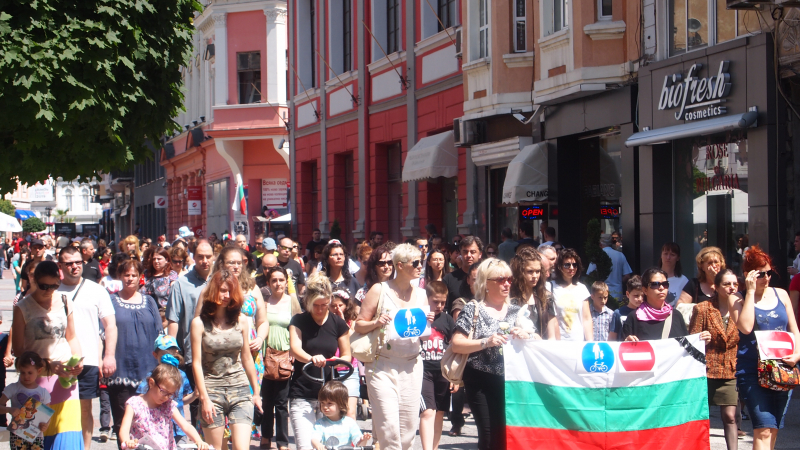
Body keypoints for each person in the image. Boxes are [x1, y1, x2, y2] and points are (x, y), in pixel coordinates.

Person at [354, 243, 430, 450]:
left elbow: (421, 330)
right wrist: (376, 323)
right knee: (388, 426)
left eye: (421, 262)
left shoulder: (422, 294)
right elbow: (359, 324)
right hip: (382, 365)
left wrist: (428, 319)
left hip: (412, 365)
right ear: (400, 265)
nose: (420, 266)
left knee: (407, 430)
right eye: (415, 263)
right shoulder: (380, 290)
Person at [451, 258, 527, 450]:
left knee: (504, 434)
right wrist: (486, 342)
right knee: (488, 434)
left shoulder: (517, 311)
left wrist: (526, 335)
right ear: (486, 283)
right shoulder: (473, 308)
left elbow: (536, 340)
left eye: (509, 279)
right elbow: (457, 344)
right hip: (480, 379)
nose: (507, 283)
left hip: (509, 381)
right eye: (500, 279)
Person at [732, 246, 800, 450]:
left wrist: (797, 355)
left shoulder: (781, 294)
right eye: (760, 274)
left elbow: (794, 330)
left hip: (782, 370)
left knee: (773, 429)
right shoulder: (738, 298)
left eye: (768, 273)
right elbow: (745, 327)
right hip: (752, 371)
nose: (766, 278)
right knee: (762, 428)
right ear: (748, 275)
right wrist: (751, 292)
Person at [12, 261, 84, 450]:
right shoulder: (22, 307)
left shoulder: (65, 301)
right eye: (44, 286)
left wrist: (78, 360)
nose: (49, 291)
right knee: (33, 438)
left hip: (65, 380)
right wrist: (49, 365)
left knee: (66, 437)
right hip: (35, 382)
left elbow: (72, 336)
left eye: (54, 286)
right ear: (33, 280)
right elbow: (19, 351)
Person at [190, 269, 263, 450]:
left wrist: (256, 393)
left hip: (239, 388)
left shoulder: (242, 320)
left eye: (230, 291)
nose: (226, 295)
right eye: (222, 290)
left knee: (241, 447)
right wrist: (204, 398)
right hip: (212, 390)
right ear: (214, 290)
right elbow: (196, 363)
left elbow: (247, 358)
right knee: (216, 448)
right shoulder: (199, 323)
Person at [56, 247, 118, 450]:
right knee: (57, 407)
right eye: (69, 263)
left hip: (88, 359)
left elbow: (110, 325)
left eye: (78, 262)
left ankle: (85, 447)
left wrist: (108, 355)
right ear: (61, 266)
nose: (75, 266)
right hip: (58, 360)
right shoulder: (52, 291)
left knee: (85, 409)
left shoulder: (96, 290)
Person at [289, 272, 351, 450]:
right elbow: (295, 348)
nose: (320, 309)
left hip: (329, 394)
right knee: (306, 446)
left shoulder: (337, 323)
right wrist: (311, 358)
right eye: (315, 305)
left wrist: (335, 361)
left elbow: (347, 355)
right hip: (302, 393)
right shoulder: (299, 320)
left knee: (329, 446)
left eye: (324, 305)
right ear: (308, 301)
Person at [104, 258, 162, 449]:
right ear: (120, 277)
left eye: (134, 275)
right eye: (126, 275)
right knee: (123, 426)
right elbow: (101, 333)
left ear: (140, 277)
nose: (130, 278)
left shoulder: (150, 301)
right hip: (120, 371)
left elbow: (160, 334)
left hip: (148, 372)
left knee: (148, 427)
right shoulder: (111, 300)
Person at [689, 268, 740, 450]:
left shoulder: (742, 308)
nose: (732, 288)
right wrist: (701, 338)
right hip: (706, 369)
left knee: (730, 416)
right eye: (727, 284)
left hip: (731, 369)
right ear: (716, 287)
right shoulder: (703, 308)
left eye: (735, 284)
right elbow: (691, 341)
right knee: (702, 416)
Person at [118, 363, 208, 450]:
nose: (166, 397)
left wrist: (198, 441)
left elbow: (185, 426)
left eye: (170, 394)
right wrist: (127, 441)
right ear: (151, 383)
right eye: (164, 391)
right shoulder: (134, 403)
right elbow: (124, 428)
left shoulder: (168, 405)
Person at [261, 266, 302, 450]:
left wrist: (295, 351)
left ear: (287, 282)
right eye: (274, 280)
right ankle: (265, 437)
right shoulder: (264, 302)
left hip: (286, 354)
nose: (278, 283)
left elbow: (299, 328)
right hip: (266, 354)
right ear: (269, 283)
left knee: (281, 402)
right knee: (266, 400)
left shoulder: (292, 301)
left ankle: (283, 442)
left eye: (281, 280)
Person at [134, 336, 197, 446]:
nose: (168, 356)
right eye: (164, 353)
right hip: (157, 427)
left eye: (171, 352)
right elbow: (142, 398)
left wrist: (194, 395)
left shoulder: (181, 376)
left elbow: (182, 400)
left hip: (179, 428)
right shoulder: (152, 376)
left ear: (176, 352)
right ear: (155, 355)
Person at [419, 281, 458, 450]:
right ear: (426, 299)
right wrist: (424, 322)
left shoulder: (447, 319)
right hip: (423, 370)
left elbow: (455, 347)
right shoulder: (418, 317)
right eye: (435, 302)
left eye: (443, 302)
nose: (439, 306)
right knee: (428, 411)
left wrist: (454, 377)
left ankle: (434, 447)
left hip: (442, 371)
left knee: (440, 412)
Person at [622, 268, 695, 341]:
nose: (661, 288)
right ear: (645, 290)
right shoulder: (634, 318)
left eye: (665, 284)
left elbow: (686, 347)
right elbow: (622, 349)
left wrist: (702, 340)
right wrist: (626, 343)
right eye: (655, 284)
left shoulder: (676, 316)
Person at [1, 352, 52, 450]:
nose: (26, 376)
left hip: (36, 435)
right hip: (17, 434)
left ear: (39, 370)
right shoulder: (13, 388)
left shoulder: (43, 393)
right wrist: (9, 409)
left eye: (30, 373)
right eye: (22, 372)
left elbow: (47, 414)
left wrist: (46, 425)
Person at [509, 248, 557, 339]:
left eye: (538, 271)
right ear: (519, 272)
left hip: (541, 349)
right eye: (530, 271)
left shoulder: (547, 297)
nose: (535, 276)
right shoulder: (509, 299)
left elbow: (552, 336)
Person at [328, 289, 360, 420]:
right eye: (333, 306)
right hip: (331, 370)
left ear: (346, 305)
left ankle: (351, 439)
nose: (337, 308)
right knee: (333, 411)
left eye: (340, 305)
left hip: (349, 369)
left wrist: (342, 323)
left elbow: (354, 340)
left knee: (349, 411)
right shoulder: (326, 321)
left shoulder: (352, 321)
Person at [311, 382, 372, 450]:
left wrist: (363, 440)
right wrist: (318, 445)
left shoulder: (349, 423)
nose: (325, 407)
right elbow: (314, 438)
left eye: (329, 403)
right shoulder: (320, 423)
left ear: (341, 404)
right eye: (322, 403)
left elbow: (358, 444)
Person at [551, 249, 593, 341]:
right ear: (559, 267)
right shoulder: (551, 287)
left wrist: (590, 343)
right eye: (567, 265)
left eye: (574, 265)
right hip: (558, 341)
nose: (571, 268)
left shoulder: (582, 288)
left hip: (578, 341)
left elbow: (586, 319)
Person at [586, 234, 632, 302]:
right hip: (617, 293)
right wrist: (618, 281)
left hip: (601, 294)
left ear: (600, 244)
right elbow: (627, 275)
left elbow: (590, 274)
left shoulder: (597, 256)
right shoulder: (620, 255)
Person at [443, 236, 483, 312]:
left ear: (480, 254)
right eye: (465, 252)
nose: (468, 255)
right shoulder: (449, 279)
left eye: (473, 252)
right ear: (460, 253)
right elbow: (444, 309)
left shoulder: (488, 279)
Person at [608, 276, 644, 341]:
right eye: (636, 295)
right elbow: (612, 338)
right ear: (627, 294)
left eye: (643, 296)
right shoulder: (618, 313)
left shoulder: (647, 312)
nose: (640, 299)